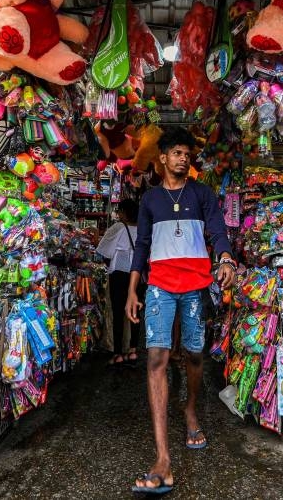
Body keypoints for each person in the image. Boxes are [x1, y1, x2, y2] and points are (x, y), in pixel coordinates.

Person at [125, 128, 236, 495]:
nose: (183, 158)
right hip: (159, 287)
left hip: (196, 286)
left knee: (193, 355)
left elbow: (218, 230)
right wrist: (132, 291)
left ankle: (190, 409)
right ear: (162, 160)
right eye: (176, 153)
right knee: (156, 357)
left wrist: (225, 257)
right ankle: (162, 458)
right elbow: (141, 246)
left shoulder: (202, 194)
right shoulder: (151, 200)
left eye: (186, 153)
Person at [96, 199, 142, 365]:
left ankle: (118, 353)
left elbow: (103, 251)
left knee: (118, 312)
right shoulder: (143, 229)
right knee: (135, 312)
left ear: (123, 212)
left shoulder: (118, 228)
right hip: (138, 275)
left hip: (120, 275)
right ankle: (133, 350)